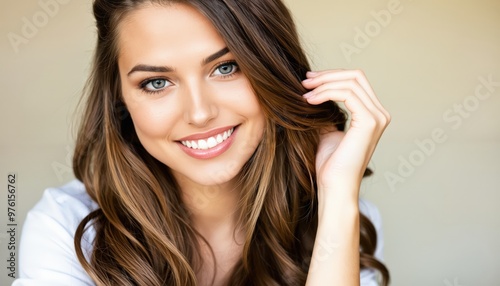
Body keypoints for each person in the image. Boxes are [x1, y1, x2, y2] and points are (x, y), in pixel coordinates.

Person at [14, 0, 391, 285]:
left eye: (226, 67)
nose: (199, 113)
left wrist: (338, 197)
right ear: (121, 100)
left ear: (274, 70)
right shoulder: (65, 229)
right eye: (157, 82)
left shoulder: (339, 214)